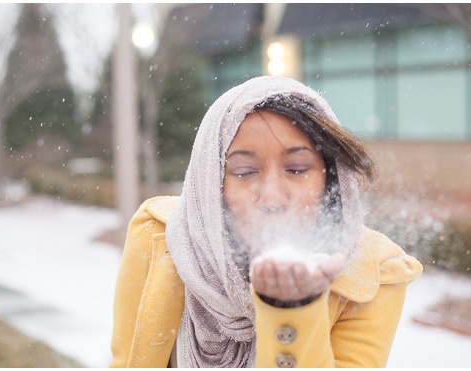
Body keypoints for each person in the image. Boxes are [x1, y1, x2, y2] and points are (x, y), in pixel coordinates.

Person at [110, 76, 423, 367]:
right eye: (245, 172)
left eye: (298, 168)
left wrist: (293, 312)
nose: (272, 197)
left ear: (330, 179)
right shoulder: (161, 236)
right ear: (211, 185)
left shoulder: (371, 273)